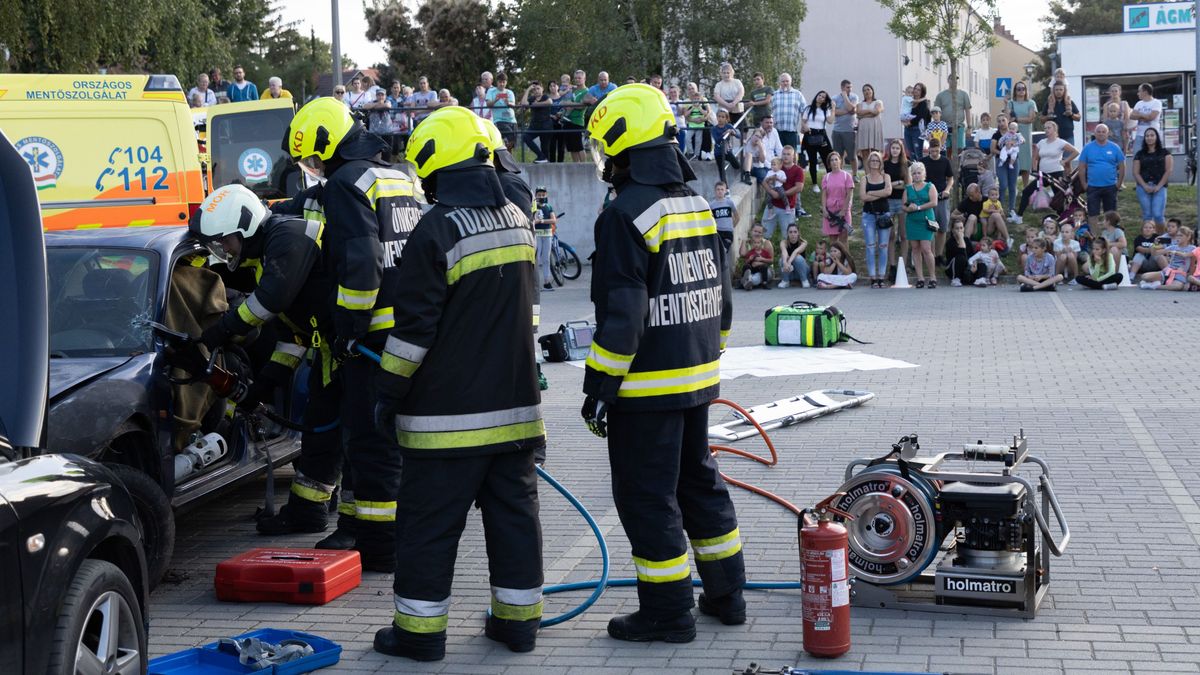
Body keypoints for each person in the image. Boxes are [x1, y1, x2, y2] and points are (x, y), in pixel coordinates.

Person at [371, 107, 544, 661]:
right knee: (515, 522)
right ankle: (518, 626)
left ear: (434, 165)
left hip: (444, 423)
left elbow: (413, 335)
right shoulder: (518, 220)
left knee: (427, 527)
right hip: (516, 414)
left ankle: (419, 636)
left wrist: (385, 393)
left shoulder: (436, 229)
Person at [581, 83, 743, 644]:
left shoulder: (624, 214)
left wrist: (599, 387)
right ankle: (727, 594)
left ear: (626, 143)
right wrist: (711, 346)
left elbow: (622, 317)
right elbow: (721, 295)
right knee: (699, 482)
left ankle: (668, 611)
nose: (603, 160)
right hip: (698, 377)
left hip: (645, 387)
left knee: (648, 497)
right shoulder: (695, 204)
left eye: (605, 146)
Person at [273, 97, 420, 569]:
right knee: (373, 437)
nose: (315, 168)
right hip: (411, 328)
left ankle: (380, 546)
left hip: (373, 337)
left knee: (372, 443)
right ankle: (358, 528)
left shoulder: (345, 184)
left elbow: (361, 263)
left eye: (315, 158)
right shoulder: (398, 176)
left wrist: (349, 330)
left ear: (330, 145)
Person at [1018, 120, 1078, 219]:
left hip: (1056, 173)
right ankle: (1019, 216)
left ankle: (1063, 218)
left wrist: (1066, 161)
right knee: (1026, 191)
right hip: (1043, 175)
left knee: (1059, 197)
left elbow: (1076, 152)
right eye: (1045, 128)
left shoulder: (1060, 142)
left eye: (1049, 128)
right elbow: (1035, 157)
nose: (1046, 130)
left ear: (1055, 129)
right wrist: (1034, 170)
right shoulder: (1041, 142)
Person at [1078, 124, 1126, 232]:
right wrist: (1084, 185)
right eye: (1098, 131)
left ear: (1108, 133)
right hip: (1093, 186)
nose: (1101, 133)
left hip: (1110, 186)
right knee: (1092, 214)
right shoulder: (1087, 148)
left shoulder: (1114, 147)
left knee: (1111, 215)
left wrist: (1119, 183)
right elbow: (1081, 168)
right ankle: (1094, 238)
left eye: (1103, 131)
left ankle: (1110, 237)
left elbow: (1122, 166)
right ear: (1094, 133)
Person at [859, 151, 892, 287]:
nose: (874, 163)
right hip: (869, 216)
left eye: (877, 160)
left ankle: (881, 276)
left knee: (883, 246)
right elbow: (863, 197)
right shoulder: (864, 179)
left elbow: (888, 192)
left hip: (884, 215)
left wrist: (871, 192)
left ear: (880, 162)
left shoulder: (886, 176)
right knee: (871, 247)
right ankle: (873, 277)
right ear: (868, 163)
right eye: (872, 160)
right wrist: (880, 194)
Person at [904, 161, 939, 288]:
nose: (917, 175)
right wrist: (909, 208)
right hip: (912, 221)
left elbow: (934, 202)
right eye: (914, 173)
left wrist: (918, 207)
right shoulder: (908, 188)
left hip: (926, 220)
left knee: (926, 248)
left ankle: (933, 277)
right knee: (915, 248)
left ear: (923, 173)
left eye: (919, 173)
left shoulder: (930, 186)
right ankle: (920, 278)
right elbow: (904, 204)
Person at [1134, 127, 1171, 228]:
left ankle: (1161, 239)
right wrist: (1145, 186)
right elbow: (1136, 173)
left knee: (1158, 215)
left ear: (1156, 137)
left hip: (1160, 186)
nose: (1149, 138)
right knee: (1147, 215)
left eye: (1152, 135)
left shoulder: (1165, 153)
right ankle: (1149, 239)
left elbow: (1168, 171)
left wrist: (1158, 186)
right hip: (1143, 187)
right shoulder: (1139, 154)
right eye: (1147, 136)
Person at [922, 140, 954, 258]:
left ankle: (939, 255)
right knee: (931, 228)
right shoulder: (923, 161)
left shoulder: (945, 161)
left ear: (940, 148)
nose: (935, 153)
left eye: (937, 150)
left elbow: (950, 178)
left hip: (942, 198)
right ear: (929, 149)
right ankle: (931, 254)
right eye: (933, 150)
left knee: (942, 228)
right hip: (928, 199)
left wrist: (947, 190)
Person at [883, 139, 909, 281]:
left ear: (901, 150)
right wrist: (898, 183)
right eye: (893, 148)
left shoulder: (905, 165)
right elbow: (885, 186)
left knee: (903, 235)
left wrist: (893, 184)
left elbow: (908, 185)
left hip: (902, 201)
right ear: (889, 149)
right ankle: (892, 265)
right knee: (891, 236)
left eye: (897, 148)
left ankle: (903, 265)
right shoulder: (885, 165)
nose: (895, 150)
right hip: (888, 202)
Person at [1138, 226, 1195, 290]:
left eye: (1181, 236)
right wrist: (1155, 244)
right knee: (1145, 276)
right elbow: (1154, 253)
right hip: (1168, 271)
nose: (1178, 238)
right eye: (1177, 236)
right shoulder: (1173, 247)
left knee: (1177, 287)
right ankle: (1158, 282)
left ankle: (1154, 286)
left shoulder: (1192, 248)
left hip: (1180, 273)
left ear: (1188, 237)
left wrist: (1189, 277)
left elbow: (1192, 265)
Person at [1005, 81, 1037, 189]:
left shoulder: (1031, 103)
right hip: (1012, 134)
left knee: (1025, 162)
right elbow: (1007, 118)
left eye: (1023, 88)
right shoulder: (1010, 103)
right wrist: (1006, 104)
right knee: (1012, 159)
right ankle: (1013, 188)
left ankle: (1025, 188)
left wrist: (1017, 119)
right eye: (1018, 89)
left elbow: (1031, 118)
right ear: (1015, 91)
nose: (1021, 91)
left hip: (1025, 135)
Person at [821, 152, 854, 249]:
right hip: (830, 211)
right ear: (829, 163)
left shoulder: (846, 176)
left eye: (836, 159)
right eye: (832, 160)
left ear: (840, 161)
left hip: (843, 210)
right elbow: (824, 194)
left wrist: (844, 210)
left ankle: (846, 261)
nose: (834, 162)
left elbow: (849, 194)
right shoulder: (826, 177)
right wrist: (824, 209)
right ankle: (834, 261)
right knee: (832, 240)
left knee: (844, 238)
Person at [801, 91, 833, 188]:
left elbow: (830, 121)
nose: (821, 98)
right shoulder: (808, 108)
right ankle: (814, 184)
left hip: (822, 134)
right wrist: (805, 126)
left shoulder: (825, 110)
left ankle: (830, 181)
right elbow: (803, 121)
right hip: (810, 134)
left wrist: (834, 109)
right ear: (816, 96)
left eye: (823, 97)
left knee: (828, 157)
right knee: (812, 160)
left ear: (825, 100)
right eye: (820, 95)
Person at [933, 75, 971, 156]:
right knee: (945, 150)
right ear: (948, 80)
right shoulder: (941, 95)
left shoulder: (963, 94)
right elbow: (936, 111)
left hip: (959, 126)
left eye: (956, 79)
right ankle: (947, 167)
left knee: (959, 150)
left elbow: (967, 110)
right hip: (943, 127)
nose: (954, 81)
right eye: (952, 79)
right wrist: (935, 126)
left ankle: (957, 168)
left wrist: (969, 127)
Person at [771, 72, 807, 152]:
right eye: (783, 81)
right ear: (780, 83)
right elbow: (770, 112)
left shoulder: (798, 94)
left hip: (792, 131)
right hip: (777, 131)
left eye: (787, 81)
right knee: (778, 154)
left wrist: (803, 124)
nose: (785, 83)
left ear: (790, 82)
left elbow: (805, 111)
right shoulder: (774, 95)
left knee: (793, 154)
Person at [831, 79, 859, 172]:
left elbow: (852, 108)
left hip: (850, 131)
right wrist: (849, 111)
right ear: (842, 87)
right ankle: (839, 173)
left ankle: (855, 174)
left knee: (852, 155)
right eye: (847, 87)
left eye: (851, 87)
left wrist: (845, 96)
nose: (850, 89)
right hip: (837, 131)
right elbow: (834, 112)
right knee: (838, 155)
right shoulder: (834, 98)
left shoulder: (854, 96)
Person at [710, 110, 744, 186]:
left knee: (737, 165)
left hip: (727, 151)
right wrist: (725, 134)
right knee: (721, 171)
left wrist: (733, 132)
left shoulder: (728, 126)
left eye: (723, 117)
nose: (720, 118)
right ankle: (725, 188)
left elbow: (739, 135)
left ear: (726, 118)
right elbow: (717, 140)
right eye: (719, 116)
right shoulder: (714, 129)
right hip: (718, 152)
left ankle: (745, 174)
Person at [561, 70, 589, 162]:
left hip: (577, 122)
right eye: (576, 78)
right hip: (567, 120)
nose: (577, 80)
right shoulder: (573, 90)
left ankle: (584, 167)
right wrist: (569, 104)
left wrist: (570, 103)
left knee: (579, 146)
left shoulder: (586, 91)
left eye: (579, 78)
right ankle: (576, 166)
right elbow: (564, 102)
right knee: (571, 148)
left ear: (584, 79)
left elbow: (582, 106)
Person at [856, 84, 884, 170]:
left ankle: (877, 173)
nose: (867, 92)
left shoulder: (878, 102)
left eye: (868, 89)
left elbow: (876, 111)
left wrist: (865, 113)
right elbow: (858, 113)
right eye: (864, 90)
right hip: (863, 130)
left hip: (875, 128)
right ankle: (868, 175)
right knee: (865, 153)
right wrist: (870, 112)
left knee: (875, 152)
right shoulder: (860, 103)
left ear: (872, 91)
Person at [1040, 82, 1079, 146]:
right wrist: (1048, 117)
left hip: (1068, 136)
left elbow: (1079, 117)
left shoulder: (1069, 102)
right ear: (1053, 91)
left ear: (1064, 91)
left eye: (1061, 90)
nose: (1059, 92)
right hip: (1053, 137)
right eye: (1056, 90)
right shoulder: (1048, 103)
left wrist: (1071, 114)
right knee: (1053, 156)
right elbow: (1041, 119)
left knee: (1070, 155)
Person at [533, 186, 557, 289]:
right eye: (539, 195)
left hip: (547, 234)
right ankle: (535, 282)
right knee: (537, 258)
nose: (541, 196)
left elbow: (553, 220)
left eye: (543, 195)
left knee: (546, 259)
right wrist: (537, 221)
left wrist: (542, 221)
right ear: (535, 195)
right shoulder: (533, 207)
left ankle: (547, 281)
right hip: (537, 234)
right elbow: (533, 220)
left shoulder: (549, 206)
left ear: (546, 195)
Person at [522, 81, 552, 163]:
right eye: (534, 89)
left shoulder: (545, 97)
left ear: (542, 89)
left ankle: (545, 161)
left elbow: (550, 102)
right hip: (534, 125)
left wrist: (537, 104)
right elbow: (524, 104)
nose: (536, 91)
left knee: (545, 148)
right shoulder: (532, 99)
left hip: (546, 125)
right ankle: (540, 156)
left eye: (538, 88)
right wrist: (528, 90)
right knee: (525, 137)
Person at [738, 223, 775, 289]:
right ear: (751, 231)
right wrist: (744, 241)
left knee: (756, 277)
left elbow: (771, 261)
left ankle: (748, 281)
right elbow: (743, 254)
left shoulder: (766, 243)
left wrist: (761, 261)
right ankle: (748, 281)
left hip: (766, 270)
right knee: (748, 270)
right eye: (755, 231)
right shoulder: (748, 242)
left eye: (759, 232)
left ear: (762, 234)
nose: (757, 234)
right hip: (752, 269)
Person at [1129, 83, 1163, 154]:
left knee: (1153, 156)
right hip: (1140, 135)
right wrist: (1145, 116)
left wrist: (1139, 114)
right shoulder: (1139, 103)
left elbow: (1151, 117)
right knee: (1137, 156)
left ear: (1145, 92)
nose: (1138, 93)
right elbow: (1132, 116)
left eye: (1139, 91)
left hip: (1152, 135)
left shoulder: (1156, 103)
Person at [487, 73, 517, 149]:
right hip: (499, 120)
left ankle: (508, 158)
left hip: (512, 120)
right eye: (500, 82)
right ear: (497, 82)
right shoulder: (491, 91)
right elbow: (488, 104)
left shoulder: (509, 92)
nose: (502, 84)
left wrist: (508, 102)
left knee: (512, 142)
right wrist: (495, 100)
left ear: (506, 82)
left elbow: (513, 104)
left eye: (504, 82)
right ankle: (504, 154)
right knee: (509, 136)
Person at [709, 180, 738, 255]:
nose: (720, 191)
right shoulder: (711, 205)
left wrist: (732, 226)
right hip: (718, 231)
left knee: (724, 249)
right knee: (718, 252)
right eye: (718, 189)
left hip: (728, 232)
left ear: (725, 191)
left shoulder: (729, 202)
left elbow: (737, 216)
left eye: (722, 189)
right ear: (715, 191)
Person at [779, 224, 810, 288]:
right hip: (789, 271)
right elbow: (784, 252)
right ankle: (785, 281)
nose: (793, 234)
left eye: (795, 232)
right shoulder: (783, 242)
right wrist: (785, 263)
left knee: (797, 258)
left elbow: (795, 252)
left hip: (802, 271)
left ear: (798, 233)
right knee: (782, 259)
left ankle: (804, 280)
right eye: (790, 232)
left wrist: (789, 262)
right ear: (787, 233)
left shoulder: (803, 242)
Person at [944, 218, 974, 286]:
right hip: (952, 268)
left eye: (961, 228)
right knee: (961, 257)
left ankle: (981, 278)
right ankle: (956, 279)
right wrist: (960, 238)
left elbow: (972, 254)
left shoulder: (967, 240)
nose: (959, 230)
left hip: (965, 266)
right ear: (953, 230)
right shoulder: (950, 242)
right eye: (957, 228)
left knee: (981, 262)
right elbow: (962, 252)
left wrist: (974, 264)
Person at [1101, 84, 1131, 151]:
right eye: (1112, 91)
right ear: (1110, 93)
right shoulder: (1106, 105)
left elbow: (1127, 118)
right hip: (1110, 132)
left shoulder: (1124, 103)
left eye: (1116, 91)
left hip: (1122, 131)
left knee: (1122, 152)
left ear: (1119, 92)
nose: (1114, 93)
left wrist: (1124, 130)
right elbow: (1105, 120)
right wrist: (1108, 131)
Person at [906, 83, 930, 160]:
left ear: (922, 92)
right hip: (907, 129)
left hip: (917, 130)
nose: (916, 90)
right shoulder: (909, 101)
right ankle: (913, 170)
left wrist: (909, 122)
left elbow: (920, 117)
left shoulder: (923, 103)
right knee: (911, 153)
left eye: (918, 90)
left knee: (918, 154)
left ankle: (920, 170)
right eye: (915, 88)